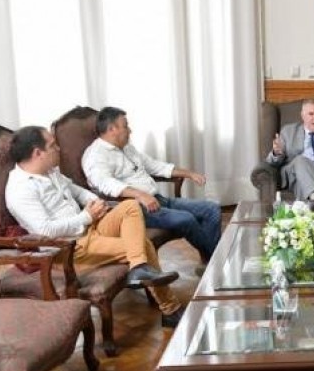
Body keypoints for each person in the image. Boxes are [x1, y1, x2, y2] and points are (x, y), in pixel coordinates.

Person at [6, 126, 185, 327]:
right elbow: (45, 231)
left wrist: (95, 202)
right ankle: (170, 310)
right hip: (70, 248)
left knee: (130, 206)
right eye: (52, 145)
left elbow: (76, 190)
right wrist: (86, 216)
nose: (58, 148)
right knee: (142, 245)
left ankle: (138, 269)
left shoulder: (49, 171)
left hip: (89, 227)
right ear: (37, 153)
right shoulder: (20, 189)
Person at [82, 106, 221, 266]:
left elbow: (154, 166)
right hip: (139, 208)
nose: (130, 130)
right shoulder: (96, 155)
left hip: (158, 200)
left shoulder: (127, 148)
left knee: (212, 209)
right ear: (112, 129)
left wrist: (189, 173)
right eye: (126, 126)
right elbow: (106, 184)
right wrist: (140, 195)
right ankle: (217, 261)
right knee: (186, 219)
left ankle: (211, 259)